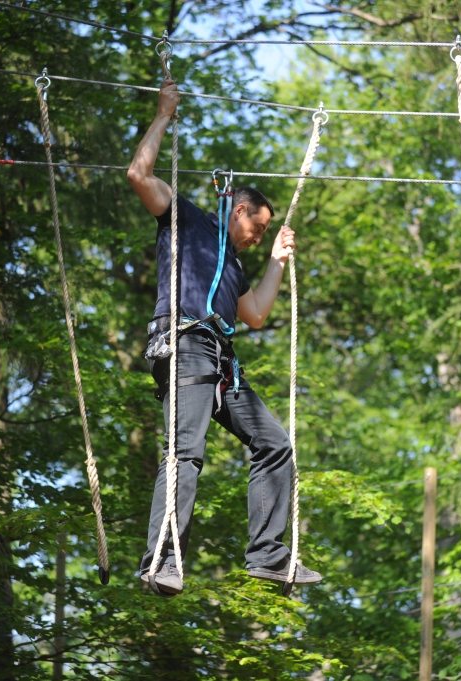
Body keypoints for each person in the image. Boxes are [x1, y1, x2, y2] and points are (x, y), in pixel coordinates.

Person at [127, 78, 322, 595]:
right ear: (239, 209)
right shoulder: (184, 218)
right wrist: (163, 114)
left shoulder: (233, 266)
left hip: (220, 362)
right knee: (185, 450)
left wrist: (277, 263)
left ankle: (267, 556)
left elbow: (254, 313)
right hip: (185, 345)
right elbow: (138, 173)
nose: (258, 239)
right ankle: (161, 559)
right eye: (258, 230)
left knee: (275, 443)